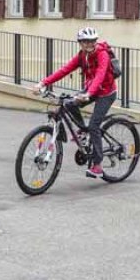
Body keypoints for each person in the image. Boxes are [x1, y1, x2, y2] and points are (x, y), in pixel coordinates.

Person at [34, 27, 117, 179]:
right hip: (91, 89)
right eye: (85, 42)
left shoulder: (102, 54)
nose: (89, 44)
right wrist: (43, 83)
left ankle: (97, 164)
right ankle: (83, 132)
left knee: (94, 126)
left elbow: (100, 75)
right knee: (69, 104)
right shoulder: (82, 56)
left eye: (92, 41)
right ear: (80, 43)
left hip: (106, 93)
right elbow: (64, 70)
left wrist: (88, 94)